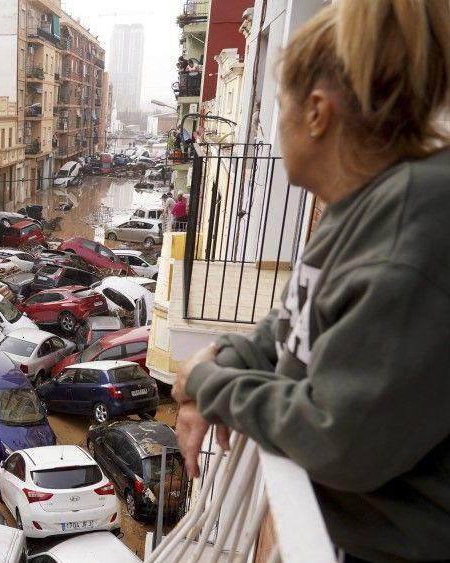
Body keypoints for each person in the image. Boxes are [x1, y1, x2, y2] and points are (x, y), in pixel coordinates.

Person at [171, 2, 450, 562]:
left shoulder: (409, 232)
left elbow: (337, 437)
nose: (278, 124)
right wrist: (227, 355)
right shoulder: (359, 208)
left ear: (317, 113)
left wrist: (211, 387)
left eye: (280, 106)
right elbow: (293, 321)